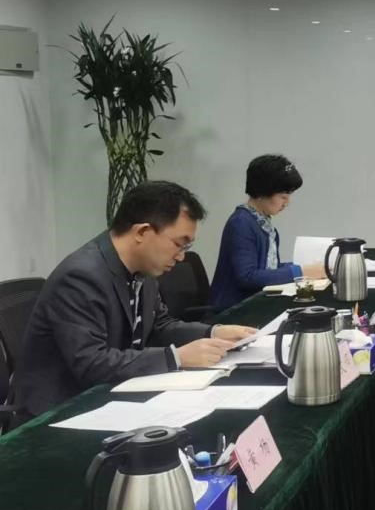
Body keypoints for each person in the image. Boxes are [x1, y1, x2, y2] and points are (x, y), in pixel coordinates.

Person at [13, 181, 255, 423]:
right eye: (178, 244)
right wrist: (176, 357)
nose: (181, 256)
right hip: (58, 414)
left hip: (112, 397)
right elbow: (91, 363)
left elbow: (159, 326)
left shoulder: (143, 269)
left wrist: (214, 333)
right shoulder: (80, 277)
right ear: (142, 232)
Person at [209, 154, 324, 311]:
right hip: (232, 311)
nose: (287, 203)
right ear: (262, 192)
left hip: (254, 305)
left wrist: (304, 267)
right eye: (283, 197)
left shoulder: (263, 225)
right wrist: (301, 271)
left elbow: (269, 269)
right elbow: (248, 277)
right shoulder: (241, 223)